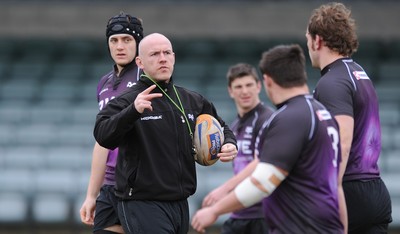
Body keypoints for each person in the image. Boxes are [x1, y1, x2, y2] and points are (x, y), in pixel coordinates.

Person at [93, 32, 238, 234]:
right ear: (140, 62)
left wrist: (229, 143)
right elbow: (102, 135)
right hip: (142, 203)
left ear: (174, 57)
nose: (162, 58)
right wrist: (132, 111)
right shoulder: (127, 101)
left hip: (180, 204)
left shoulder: (191, 100)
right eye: (154, 54)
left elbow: (222, 127)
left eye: (167, 53)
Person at [191, 44, 345, 233]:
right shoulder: (322, 112)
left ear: (266, 81)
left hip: (299, 225)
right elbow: (337, 186)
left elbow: (263, 181)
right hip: (324, 223)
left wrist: (215, 210)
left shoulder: (288, 118)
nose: (245, 91)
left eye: (249, 85)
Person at [306, 2, 392, 233]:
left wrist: (329, 194)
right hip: (373, 188)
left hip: (349, 191)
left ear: (317, 40)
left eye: (308, 40)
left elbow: (342, 142)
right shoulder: (358, 73)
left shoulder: (332, 82)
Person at [79, 12, 144, 234]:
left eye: (127, 40)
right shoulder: (104, 83)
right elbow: (102, 140)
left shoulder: (147, 77)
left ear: (138, 44)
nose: (120, 46)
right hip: (110, 186)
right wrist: (91, 195)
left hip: (139, 185)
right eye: (114, 40)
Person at [201, 63, 273, 234]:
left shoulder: (267, 119)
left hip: (263, 212)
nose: (244, 91)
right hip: (240, 211)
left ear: (258, 86)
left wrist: (224, 190)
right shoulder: (233, 125)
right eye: (238, 87)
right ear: (230, 91)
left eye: (249, 85)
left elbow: (262, 161)